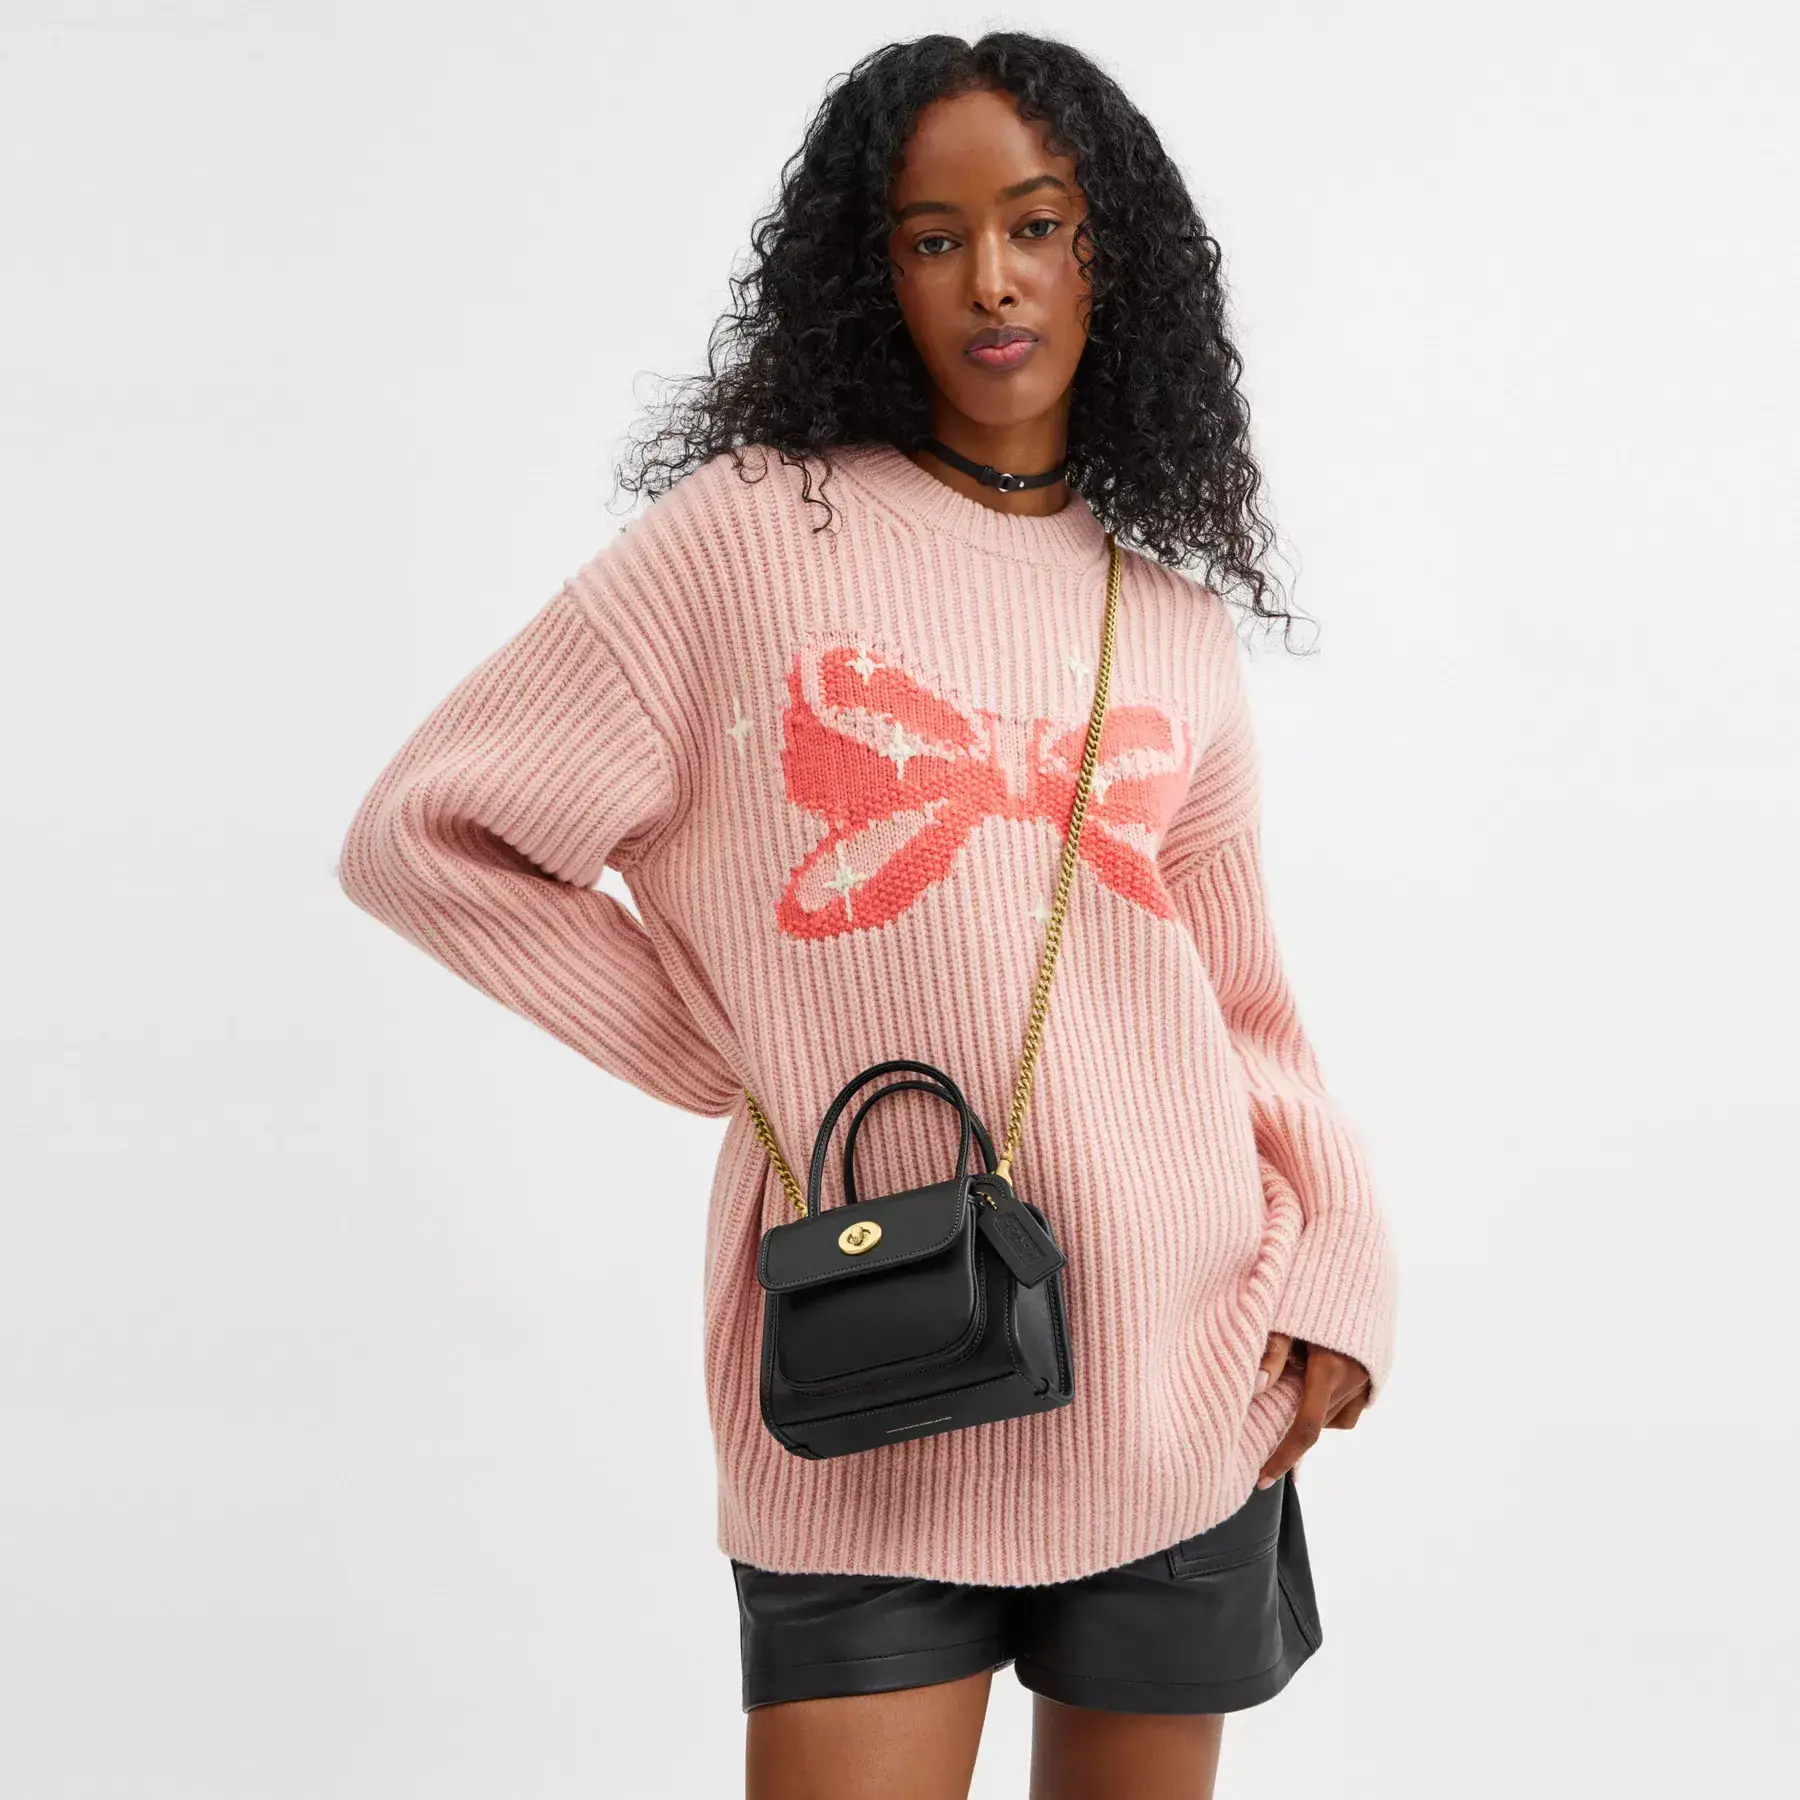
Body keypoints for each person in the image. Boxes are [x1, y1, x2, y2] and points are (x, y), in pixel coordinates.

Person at [336, 30, 1397, 1800]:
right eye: (932, 237)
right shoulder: (750, 538)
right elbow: (428, 834)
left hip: (1181, 1362)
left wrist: (1342, 1265)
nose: (993, 279)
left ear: (1111, 255)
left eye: (1038, 225)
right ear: (869, 271)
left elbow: (1242, 1008)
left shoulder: (1171, 620)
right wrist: (713, 1037)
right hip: (868, 1368)